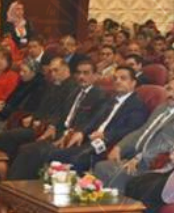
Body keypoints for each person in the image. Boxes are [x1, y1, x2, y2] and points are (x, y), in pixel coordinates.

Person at [9, 67, 149, 178]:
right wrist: (81, 132)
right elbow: (92, 119)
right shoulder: (109, 100)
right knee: (34, 151)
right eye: (115, 78)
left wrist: (105, 135)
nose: (117, 81)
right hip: (87, 140)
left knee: (57, 156)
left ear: (133, 83)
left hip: (106, 145)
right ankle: (17, 192)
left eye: (123, 78)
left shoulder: (137, 105)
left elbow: (131, 130)